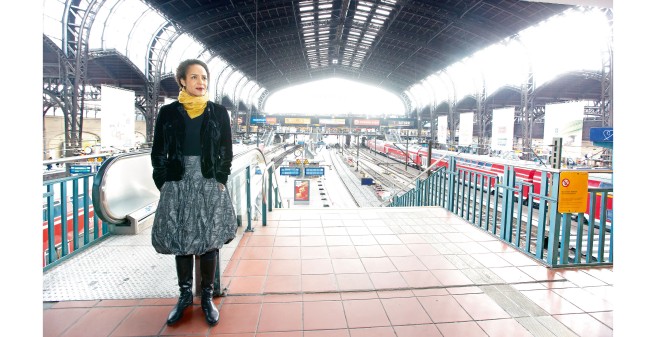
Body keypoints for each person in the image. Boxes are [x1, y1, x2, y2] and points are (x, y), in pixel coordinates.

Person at [150, 59, 237, 327]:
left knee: (209, 239)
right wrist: (164, 182)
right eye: (195, 77)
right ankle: (185, 296)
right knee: (182, 239)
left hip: (208, 180)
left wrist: (220, 179)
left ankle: (207, 298)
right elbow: (158, 152)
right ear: (182, 81)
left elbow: (226, 150)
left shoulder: (219, 112)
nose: (201, 82)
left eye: (204, 77)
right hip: (177, 181)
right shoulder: (168, 113)